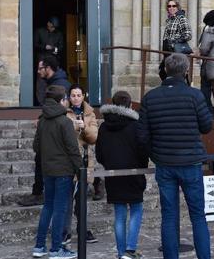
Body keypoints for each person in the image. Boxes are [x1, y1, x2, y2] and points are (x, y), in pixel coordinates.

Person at [137, 53, 212, 259]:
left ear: (166, 70)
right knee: (198, 216)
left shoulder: (150, 97)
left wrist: (156, 153)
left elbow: (142, 136)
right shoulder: (195, 95)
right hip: (190, 162)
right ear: (186, 71)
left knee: (169, 216)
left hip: (165, 163)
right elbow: (207, 126)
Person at [96, 91, 148, 259]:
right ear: (130, 105)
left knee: (119, 214)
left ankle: (121, 252)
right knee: (136, 209)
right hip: (134, 173)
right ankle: (130, 250)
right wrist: (142, 165)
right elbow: (142, 148)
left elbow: (99, 153)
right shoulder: (135, 125)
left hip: (113, 174)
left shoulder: (104, 126)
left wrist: (109, 164)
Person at [32, 85, 81, 259]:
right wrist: (80, 168)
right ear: (62, 100)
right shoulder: (64, 121)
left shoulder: (43, 120)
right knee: (60, 209)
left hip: (48, 170)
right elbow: (73, 149)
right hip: (62, 171)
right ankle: (56, 249)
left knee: (48, 207)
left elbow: (36, 146)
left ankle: (39, 246)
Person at [18, 55, 72, 207]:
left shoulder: (60, 85)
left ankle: (95, 181)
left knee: (46, 157)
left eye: (41, 68)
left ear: (48, 69)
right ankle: (38, 192)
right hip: (52, 125)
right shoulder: (54, 83)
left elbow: (63, 107)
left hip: (57, 127)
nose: (38, 71)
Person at [62, 84, 100, 245]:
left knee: (82, 198)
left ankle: (82, 229)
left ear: (83, 96)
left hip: (85, 160)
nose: (76, 98)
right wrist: (73, 126)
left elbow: (94, 137)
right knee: (66, 199)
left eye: (79, 95)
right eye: (73, 95)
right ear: (69, 97)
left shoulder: (90, 114)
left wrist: (84, 128)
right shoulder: (63, 113)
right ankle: (65, 231)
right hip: (68, 160)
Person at [160, 0, 192, 80]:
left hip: (176, 53)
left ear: (178, 7)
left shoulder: (181, 18)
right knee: (163, 73)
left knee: (176, 75)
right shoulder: (169, 20)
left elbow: (188, 34)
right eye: (169, 6)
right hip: (167, 52)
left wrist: (175, 42)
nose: (171, 8)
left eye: (174, 6)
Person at [35, 17, 64, 105]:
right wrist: (44, 46)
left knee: (55, 81)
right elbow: (34, 45)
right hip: (42, 60)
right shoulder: (39, 31)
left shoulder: (59, 34)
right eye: (52, 26)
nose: (53, 28)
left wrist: (55, 49)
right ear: (48, 23)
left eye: (55, 27)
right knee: (41, 82)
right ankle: (41, 103)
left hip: (54, 61)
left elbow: (61, 47)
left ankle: (54, 102)